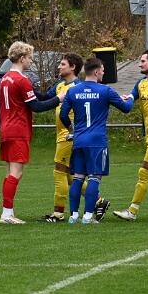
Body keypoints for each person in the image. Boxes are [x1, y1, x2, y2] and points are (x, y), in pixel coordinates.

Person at [0, 41, 66, 224]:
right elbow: (36, 106)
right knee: (16, 173)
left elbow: (38, 96)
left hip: (6, 128)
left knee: (9, 173)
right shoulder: (21, 80)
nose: (31, 61)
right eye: (29, 58)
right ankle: (6, 214)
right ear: (21, 58)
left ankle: (7, 211)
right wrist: (59, 99)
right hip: (18, 129)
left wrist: (55, 91)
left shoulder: (5, 78)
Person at [60, 58, 134, 224]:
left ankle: (73, 216)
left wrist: (72, 130)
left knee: (78, 177)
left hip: (79, 140)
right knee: (94, 177)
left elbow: (63, 115)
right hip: (97, 141)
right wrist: (130, 97)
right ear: (96, 71)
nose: (103, 72)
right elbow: (126, 108)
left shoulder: (72, 91)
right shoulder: (105, 90)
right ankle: (87, 216)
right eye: (102, 70)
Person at [114, 50, 148, 221]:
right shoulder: (141, 83)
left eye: (143, 61)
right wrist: (126, 99)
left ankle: (132, 211)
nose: (139, 64)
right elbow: (132, 97)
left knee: (144, 171)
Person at [40, 53, 82, 223]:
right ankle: (98, 201)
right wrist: (26, 88)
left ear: (73, 67)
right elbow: (44, 97)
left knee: (59, 171)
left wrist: (75, 132)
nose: (59, 66)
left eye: (63, 64)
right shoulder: (59, 86)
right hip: (61, 135)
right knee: (70, 175)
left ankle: (58, 213)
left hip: (69, 136)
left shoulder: (78, 87)